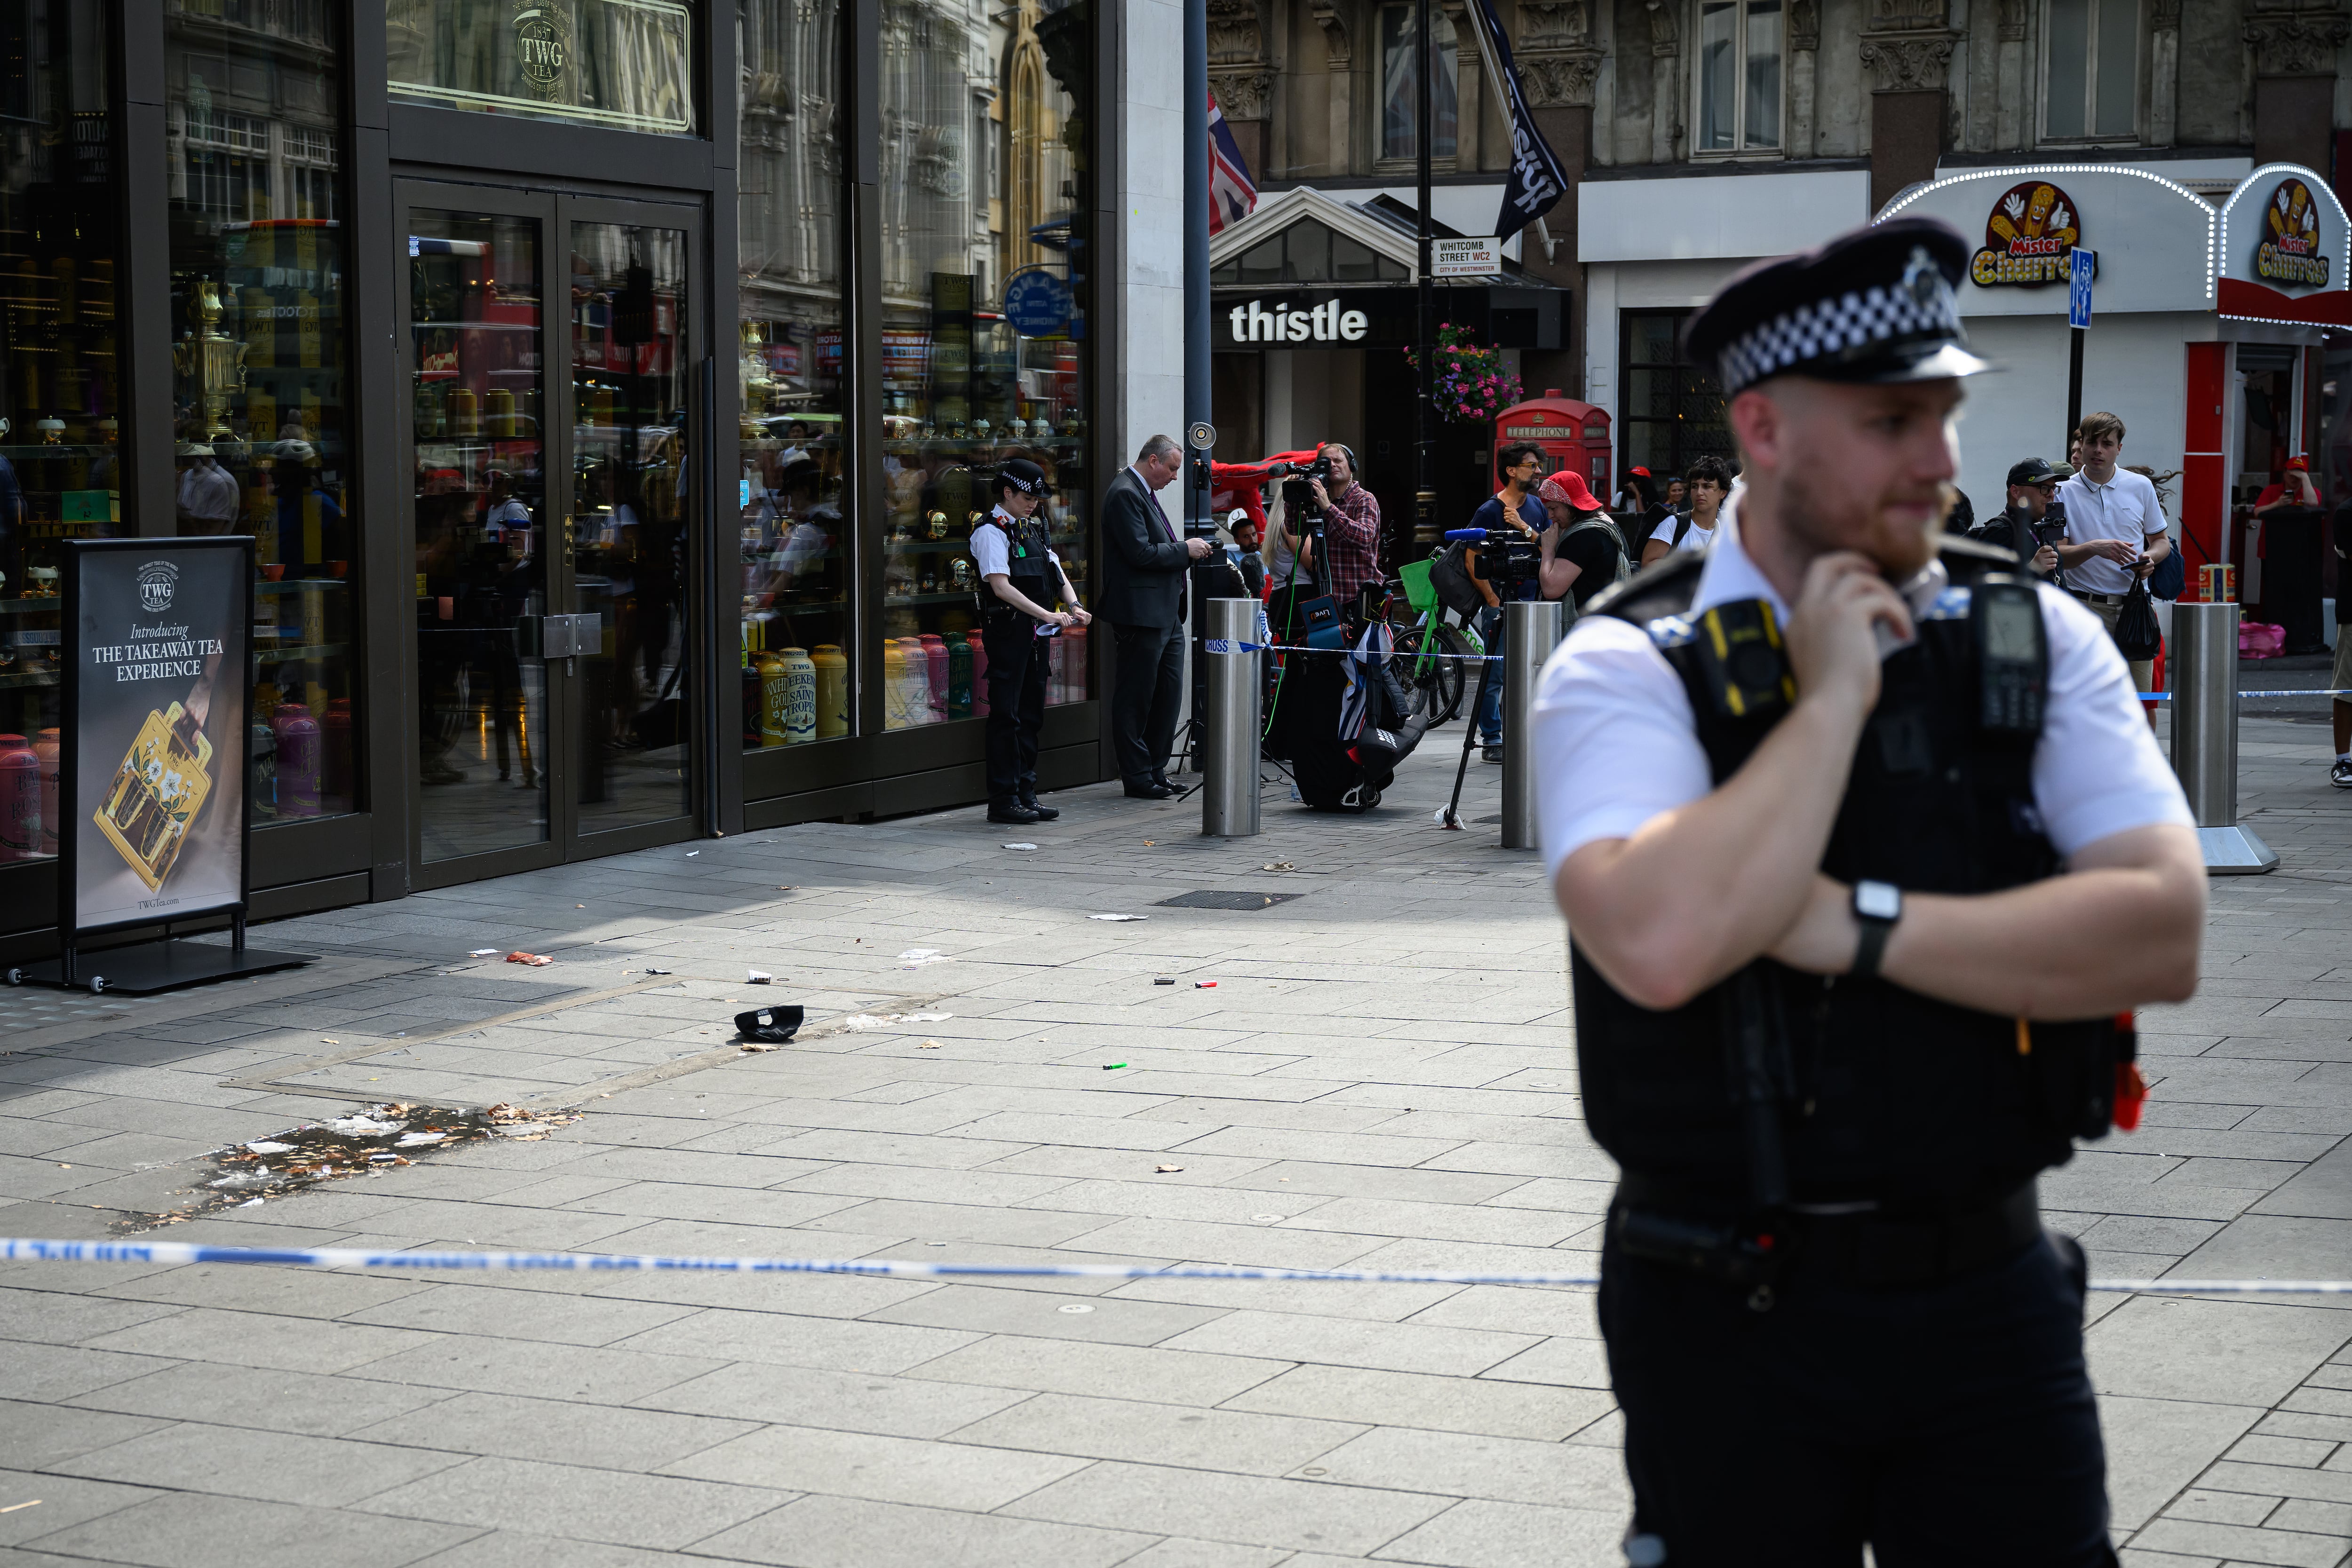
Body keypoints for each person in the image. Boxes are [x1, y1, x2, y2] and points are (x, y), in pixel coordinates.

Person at [1531, 216, 2205, 1566]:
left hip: (1990, 1292)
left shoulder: (2031, 630)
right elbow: (1662, 941)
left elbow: (2160, 925)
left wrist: (1855, 924)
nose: (1941, 459)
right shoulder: (1627, 663)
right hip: (1726, 1306)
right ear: (1768, 429)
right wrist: (1833, 696)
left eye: (1945, 414)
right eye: (1896, 418)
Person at [970, 457, 1090, 824]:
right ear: (1006, 492)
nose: (1033, 503)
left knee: (1030, 716)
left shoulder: (1031, 529)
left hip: (1036, 637)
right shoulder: (990, 531)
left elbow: (1056, 572)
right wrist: (1048, 614)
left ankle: (1026, 793)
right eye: (1027, 497)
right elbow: (1000, 586)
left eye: (1037, 499)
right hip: (1008, 635)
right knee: (1006, 718)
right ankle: (1003, 800)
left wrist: (1074, 604)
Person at [1099, 434, 1210, 799]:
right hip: (1141, 615)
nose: (1176, 476)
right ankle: (1137, 775)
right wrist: (1185, 550)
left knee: (1168, 694)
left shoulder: (1141, 491)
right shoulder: (1125, 493)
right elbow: (1140, 554)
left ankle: (1155, 769)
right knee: (1136, 697)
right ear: (1153, 461)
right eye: (1173, 468)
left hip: (1165, 613)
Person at [2056, 411, 2171, 695]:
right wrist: (2095, 548)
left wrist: (2149, 559)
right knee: (2086, 700)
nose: (2098, 450)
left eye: (2107, 444)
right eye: (2092, 442)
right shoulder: (2062, 491)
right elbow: (2058, 554)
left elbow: (2161, 541)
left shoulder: (2140, 486)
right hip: (2086, 608)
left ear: (2119, 448)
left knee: (2139, 699)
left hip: (2136, 606)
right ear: (2080, 445)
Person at [1971, 457, 2066, 580]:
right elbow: (1985, 586)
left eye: (2053, 488)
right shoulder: (2000, 531)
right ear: (2016, 492)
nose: (2051, 494)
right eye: (2044, 488)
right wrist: (2033, 569)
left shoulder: (2041, 528)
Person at [1641, 455, 1732, 565]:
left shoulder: (1725, 532)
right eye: (1694, 486)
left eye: (1707, 486)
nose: (1699, 492)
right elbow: (1648, 563)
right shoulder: (1674, 524)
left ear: (1723, 493)